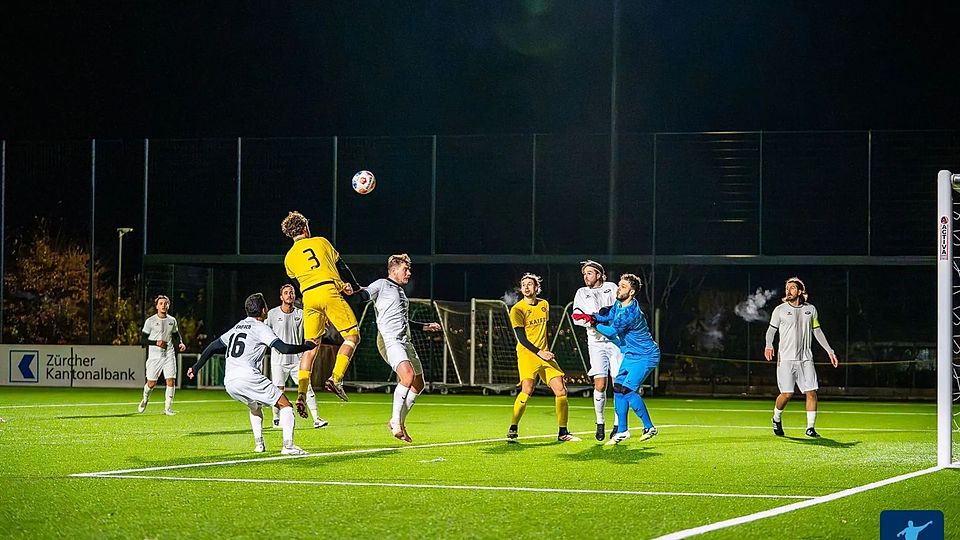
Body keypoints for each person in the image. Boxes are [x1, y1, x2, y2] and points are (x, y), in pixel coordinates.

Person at [187, 292, 315, 455]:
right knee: (286, 405)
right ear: (263, 310)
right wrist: (307, 346)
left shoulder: (239, 326)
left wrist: (196, 367)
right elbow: (284, 349)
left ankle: (259, 444)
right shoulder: (260, 328)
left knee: (255, 407)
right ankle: (288, 446)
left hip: (230, 382)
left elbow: (213, 346)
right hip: (248, 376)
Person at [281, 210, 362, 413]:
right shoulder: (321, 242)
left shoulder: (289, 258)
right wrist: (352, 286)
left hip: (308, 298)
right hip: (328, 292)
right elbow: (339, 266)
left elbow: (308, 275)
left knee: (310, 348)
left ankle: (300, 395)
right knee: (352, 336)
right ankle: (336, 378)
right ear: (305, 228)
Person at [357, 254, 442, 443]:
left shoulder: (400, 292)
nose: (409, 273)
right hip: (389, 340)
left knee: (418, 384)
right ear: (394, 270)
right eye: (406, 269)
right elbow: (363, 296)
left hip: (405, 341)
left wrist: (424, 326)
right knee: (407, 376)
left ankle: (399, 422)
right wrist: (350, 290)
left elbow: (403, 320)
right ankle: (396, 422)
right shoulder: (381, 284)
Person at [575, 273, 660, 445]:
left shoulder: (630, 312)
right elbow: (608, 317)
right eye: (619, 285)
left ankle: (649, 427)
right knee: (619, 388)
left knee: (628, 390)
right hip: (630, 354)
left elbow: (612, 332)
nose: (618, 289)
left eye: (623, 287)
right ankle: (622, 430)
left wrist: (592, 322)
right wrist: (593, 316)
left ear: (632, 292)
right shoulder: (619, 304)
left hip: (645, 356)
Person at [506, 273, 581, 443]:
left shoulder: (544, 304)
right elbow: (522, 339)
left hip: (544, 354)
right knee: (527, 389)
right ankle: (513, 427)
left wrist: (544, 351)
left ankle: (563, 432)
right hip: (527, 354)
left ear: (536, 288)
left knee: (561, 391)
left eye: (530, 284)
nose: (526, 287)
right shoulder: (517, 309)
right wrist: (540, 352)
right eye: (523, 284)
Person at [764, 277, 839, 438]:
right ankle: (776, 418)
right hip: (786, 359)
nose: (788, 291)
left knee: (811, 392)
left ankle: (810, 428)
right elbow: (771, 331)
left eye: (792, 288)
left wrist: (830, 351)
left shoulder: (811, 310)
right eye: (787, 288)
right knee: (787, 394)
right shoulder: (780, 310)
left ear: (799, 291)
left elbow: (817, 331)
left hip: (806, 359)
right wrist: (769, 345)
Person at [572, 260, 623, 441]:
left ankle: (618, 424)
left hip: (616, 342)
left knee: (618, 384)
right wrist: (593, 320)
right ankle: (600, 423)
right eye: (584, 274)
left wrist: (607, 318)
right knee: (600, 384)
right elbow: (577, 317)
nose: (586, 277)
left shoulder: (611, 287)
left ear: (599, 275)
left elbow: (621, 308)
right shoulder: (581, 293)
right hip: (595, 343)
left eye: (590, 273)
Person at [266, 284, 327, 429]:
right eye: (286, 293)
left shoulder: (301, 314)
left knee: (307, 387)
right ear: (281, 297)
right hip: (278, 360)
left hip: (297, 360)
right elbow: (264, 331)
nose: (289, 295)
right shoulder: (272, 314)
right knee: (278, 390)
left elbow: (314, 325)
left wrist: (323, 320)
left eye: (291, 292)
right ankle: (276, 418)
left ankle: (316, 419)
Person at [137, 295, 186, 415]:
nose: (163, 305)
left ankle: (167, 408)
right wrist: (156, 343)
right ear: (157, 306)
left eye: (166, 303)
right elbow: (142, 340)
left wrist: (180, 343)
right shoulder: (150, 321)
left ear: (168, 305)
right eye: (161, 303)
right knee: (151, 383)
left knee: (171, 381)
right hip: (155, 357)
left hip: (169, 355)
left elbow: (176, 334)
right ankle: (145, 398)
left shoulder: (172, 320)